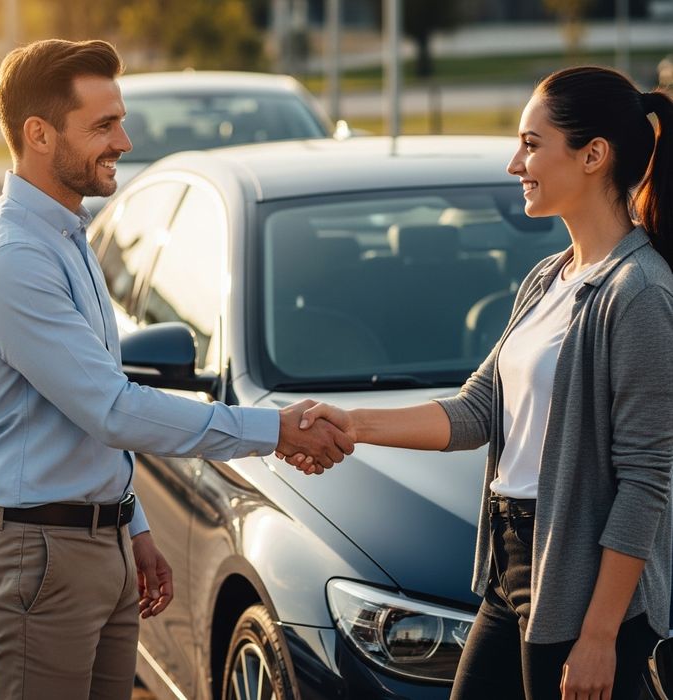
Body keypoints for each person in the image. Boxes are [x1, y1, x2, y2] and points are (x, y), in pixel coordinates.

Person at [0, 39, 352, 700]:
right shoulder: (14, 260)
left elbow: (87, 413)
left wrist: (133, 526)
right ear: (38, 134)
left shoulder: (66, 233)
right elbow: (112, 408)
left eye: (119, 119)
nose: (124, 139)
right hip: (41, 560)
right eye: (103, 125)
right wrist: (274, 430)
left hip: (96, 541)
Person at [282, 66, 673, 699]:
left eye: (530, 143)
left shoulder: (640, 293)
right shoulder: (548, 278)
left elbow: (646, 481)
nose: (514, 162)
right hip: (508, 566)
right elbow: (476, 409)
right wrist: (349, 423)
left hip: (579, 583)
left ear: (594, 155)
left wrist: (599, 637)